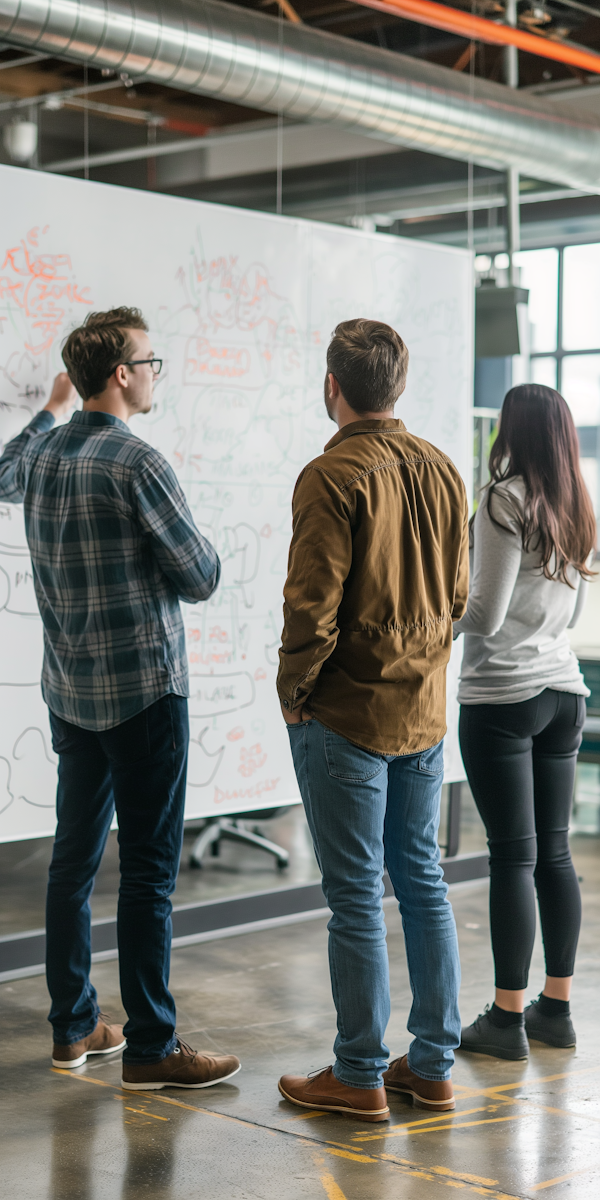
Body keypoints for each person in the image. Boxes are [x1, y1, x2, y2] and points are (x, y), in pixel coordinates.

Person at [0, 308, 240, 1090]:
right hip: (143, 694)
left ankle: (74, 1029)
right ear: (124, 375)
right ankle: (150, 1047)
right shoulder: (139, 463)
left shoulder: (41, 457)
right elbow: (201, 576)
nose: (156, 372)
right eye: (151, 360)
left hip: (71, 693)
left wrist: (51, 406)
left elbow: (3, 467)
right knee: (145, 874)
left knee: (72, 863)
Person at [276, 318, 469, 1121]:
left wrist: (293, 690)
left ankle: (357, 1075)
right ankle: (430, 1064)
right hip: (422, 712)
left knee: (355, 895)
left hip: (347, 712)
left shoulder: (331, 474)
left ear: (332, 387)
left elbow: (310, 604)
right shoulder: (443, 468)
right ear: (397, 385)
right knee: (422, 880)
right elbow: (458, 597)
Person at [455, 383, 595, 1061]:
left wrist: (430, 615)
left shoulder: (503, 497)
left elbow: (483, 613)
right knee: (555, 853)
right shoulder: (577, 503)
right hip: (564, 691)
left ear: (510, 431)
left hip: (504, 696)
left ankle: (506, 1021)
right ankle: (555, 1009)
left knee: (512, 855)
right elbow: (568, 616)